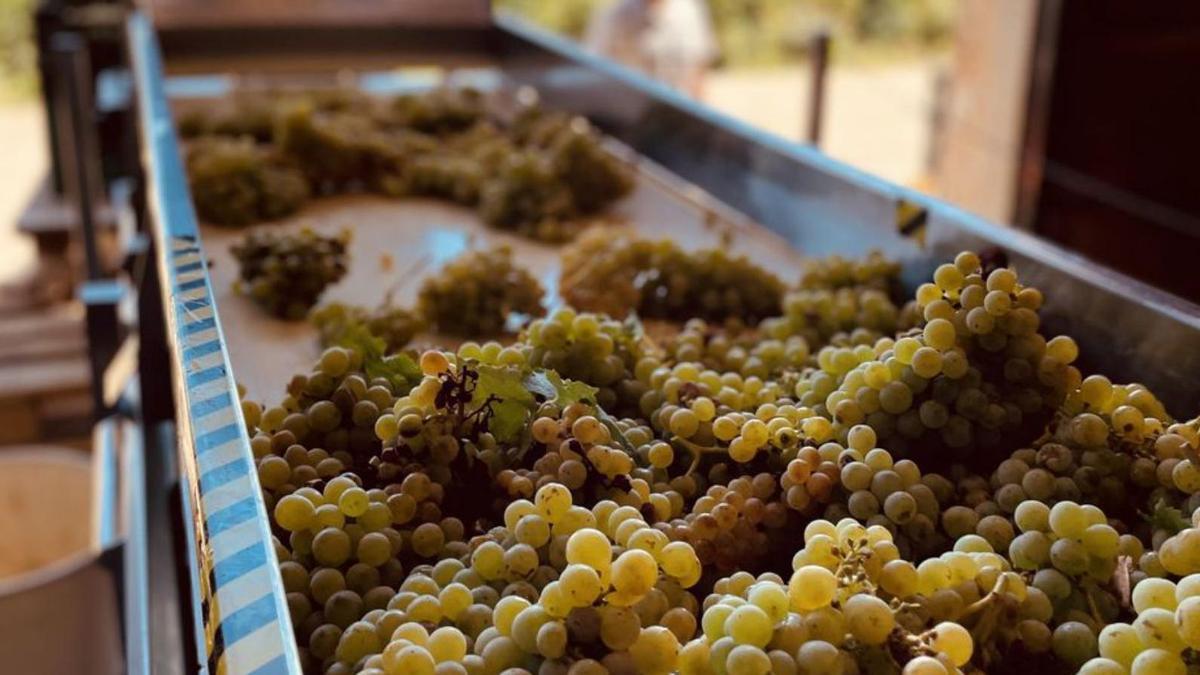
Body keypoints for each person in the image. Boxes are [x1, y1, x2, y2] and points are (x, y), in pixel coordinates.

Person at [584, 0, 719, 98]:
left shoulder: (689, 11)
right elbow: (595, 67)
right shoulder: (615, 14)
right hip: (628, 109)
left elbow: (699, 70)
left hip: (675, 111)